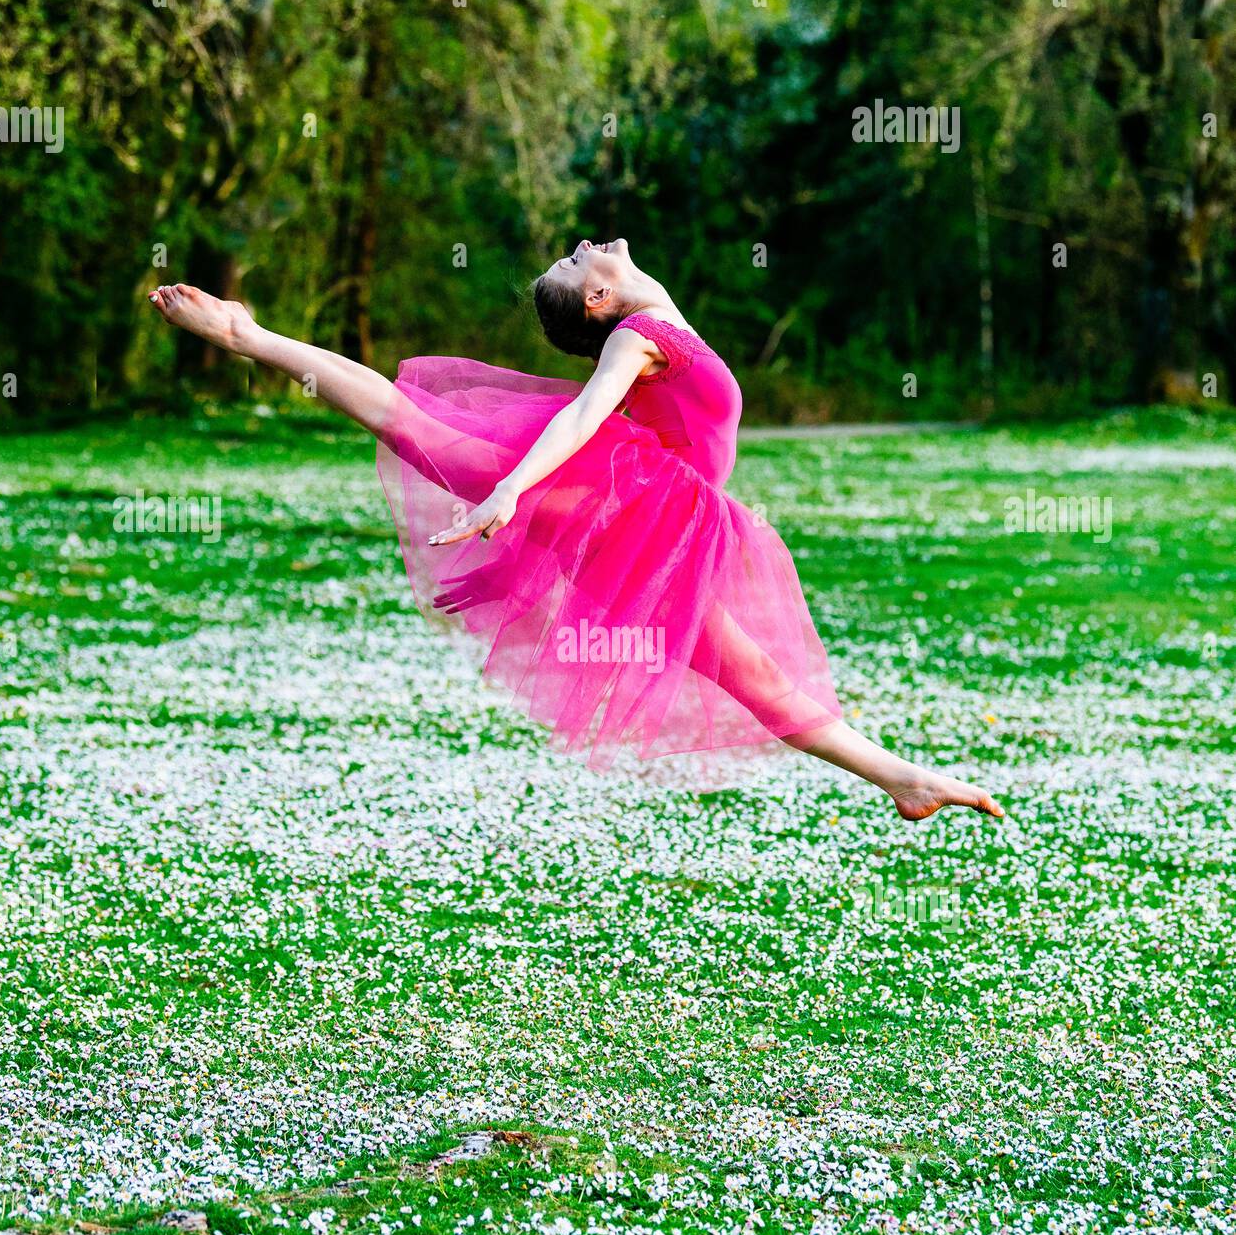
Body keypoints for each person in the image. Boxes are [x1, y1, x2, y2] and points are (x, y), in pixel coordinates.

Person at [148, 239, 1004, 819]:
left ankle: (904, 779)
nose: (587, 240)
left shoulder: (656, 314)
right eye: (575, 257)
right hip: (613, 505)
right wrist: (514, 488)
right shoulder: (636, 336)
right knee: (410, 421)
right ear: (600, 295)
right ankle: (246, 334)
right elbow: (585, 414)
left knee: (753, 674)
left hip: (652, 533)